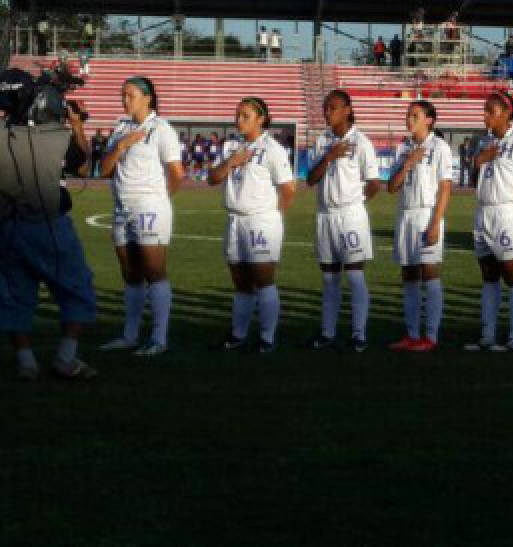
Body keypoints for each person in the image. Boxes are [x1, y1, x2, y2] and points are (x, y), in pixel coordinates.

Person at [1, 72, 99, 380]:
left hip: (6, 228)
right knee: (77, 288)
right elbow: (84, 166)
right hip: (48, 225)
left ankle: (26, 362)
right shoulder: (57, 136)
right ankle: (66, 358)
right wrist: (78, 125)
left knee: (14, 296)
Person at [96, 77, 186, 356]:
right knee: (130, 274)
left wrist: (159, 200)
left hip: (149, 207)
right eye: (123, 95)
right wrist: (121, 146)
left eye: (130, 95)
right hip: (122, 207)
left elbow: (176, 172)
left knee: (154, 272)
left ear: (147, 98)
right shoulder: (121, 128)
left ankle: (159, 339)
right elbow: (105, 169)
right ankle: (130, 335)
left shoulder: (161, 129)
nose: (125, 100)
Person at [207, 97, 296, 352]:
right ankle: (238, 334)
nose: (239, 120)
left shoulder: (273, 149)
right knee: (240, 281)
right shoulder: (230, 147)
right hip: (235, 220)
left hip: (261, 221)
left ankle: (267, 337)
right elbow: (212, 178)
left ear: (261, 119)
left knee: (263, 279)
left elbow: (288, 189)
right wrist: (230, 163)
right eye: (238, 115)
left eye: (245, 115)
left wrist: (274, 219)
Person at [305, 90, 382, 352]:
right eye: (326, 108)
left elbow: (374, 183)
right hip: (325, 215)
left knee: (355, 275)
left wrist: (355, 203)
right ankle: (328, 333)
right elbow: (311, 179)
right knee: (328, 279)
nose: (328, 112)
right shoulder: (322, 141)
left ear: (348, 110)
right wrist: (329, 157)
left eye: (333, 108)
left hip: (350, 216)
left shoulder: (362, 142)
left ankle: (359, 333)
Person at [466, 91, 513, 351]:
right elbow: (476, 178)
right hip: (483, 211)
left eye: (490, 111)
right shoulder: (483, 142)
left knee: (512, 274)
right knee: (488, 274)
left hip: (508, 214)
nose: (485, 116)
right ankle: (487, 336)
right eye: (484, 111)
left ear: (506, 114)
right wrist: (479, 161)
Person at [387, 101, 453, 352]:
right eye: (408, 115)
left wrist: (436, 223)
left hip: (427, 214)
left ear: (429, 120)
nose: (409, 119)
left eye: (415, 115)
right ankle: (412, 334)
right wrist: (407, 164)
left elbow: (445, 188)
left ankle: (431, 336)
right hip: (405, 215)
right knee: (409, 276)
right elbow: (392, 187)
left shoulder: (440, 148)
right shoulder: (404, 147)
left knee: (430, 273)